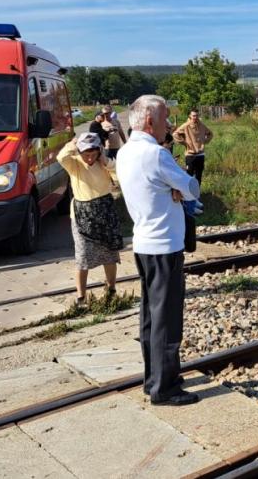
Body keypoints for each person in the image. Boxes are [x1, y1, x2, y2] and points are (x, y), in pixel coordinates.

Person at [117, 94, 201, 406]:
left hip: (143, 243)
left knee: (150, 316)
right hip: (164, 244)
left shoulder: (125, 152)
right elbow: (192, 187)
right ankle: (165, 388)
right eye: (166, 118)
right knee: (167, 319)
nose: (169, 124)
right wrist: (179, 189)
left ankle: (152, 378)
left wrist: (172, 190)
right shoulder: (156, 154)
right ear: (151, 121)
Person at [57, 133, 123, 307]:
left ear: (99, 151)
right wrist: (73, 144)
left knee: (109, 253)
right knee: (83, 255)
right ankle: (81, 297)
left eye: (93, 154)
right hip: (82, 213)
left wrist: (105, 161)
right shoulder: (75, 164)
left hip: (104, 210)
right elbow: (61, 157)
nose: (89, 158)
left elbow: (119, 174)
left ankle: (111, 290)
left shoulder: (103, 163)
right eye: (86, 154)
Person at [173, 109, 213, 184]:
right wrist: (184, 143)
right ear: (190, 116)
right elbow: (175, 134)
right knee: (189, 175)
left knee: (199, 176)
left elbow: (210, 134)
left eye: (197, 115)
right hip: (190, 155)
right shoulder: (186, 125)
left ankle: (197, 194)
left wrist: (204, 142)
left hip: (200, 154)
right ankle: (188, 195)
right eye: (194, 115)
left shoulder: (202, 125)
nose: (195, 117)